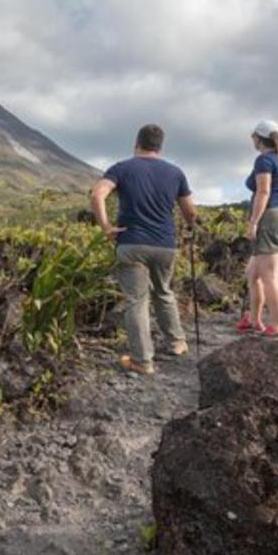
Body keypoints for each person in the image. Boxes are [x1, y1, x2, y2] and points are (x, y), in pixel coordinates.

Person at [90, 124, 198, 375]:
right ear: (160, 146)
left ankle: (142, 361)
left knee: (137, 301)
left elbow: (97, 195)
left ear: (137, 143)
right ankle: (177, 343)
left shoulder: (122, 168)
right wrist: (190, 225)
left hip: (132, 244)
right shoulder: (175, 172)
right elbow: (190, 211)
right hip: (165, 245)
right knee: (164, 292)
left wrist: (106, 226)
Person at [238, 120, 278, 337]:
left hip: (272, 218)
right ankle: (254, 320)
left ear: (257, 138)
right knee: (253, 273)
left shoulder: (264, 160)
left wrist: (254, 222)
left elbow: (263, 191)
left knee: (269, 276)